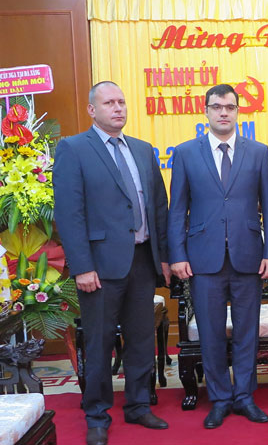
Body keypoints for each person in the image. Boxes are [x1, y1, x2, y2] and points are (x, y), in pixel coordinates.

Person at [53, 81, 171, 445]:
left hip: (142, 260)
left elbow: (159, 207)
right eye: (109, 103)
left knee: (140, 339)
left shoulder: (142, 149)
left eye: (122, 101)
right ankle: (97, 413)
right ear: (92, 110)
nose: (118, 108)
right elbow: (70, 215)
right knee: (101, 341)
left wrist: (163, 257)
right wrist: (82, 266)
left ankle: (137, 405)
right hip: (100, 266)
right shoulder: (73, 149)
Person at [167, 84, 268, 428]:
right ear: (205, 111)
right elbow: (177, 209)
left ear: (238, 111)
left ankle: (244, 396)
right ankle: (218, 398)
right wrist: (177, 254)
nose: (223, 113)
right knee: (211, 332)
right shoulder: (186, 153)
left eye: (230, 107)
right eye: (217, 107)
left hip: (248, 256)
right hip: (203, 259)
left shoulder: (258, 152)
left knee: (248, 332)